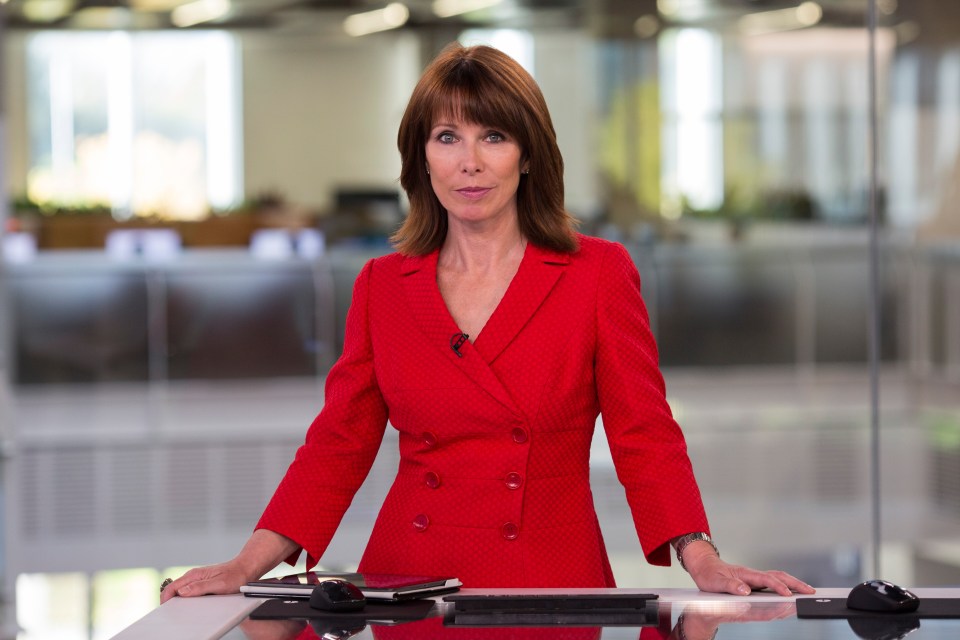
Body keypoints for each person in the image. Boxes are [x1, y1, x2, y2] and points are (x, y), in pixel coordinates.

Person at [161, 42, 815, 603]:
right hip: (410, 583)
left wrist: (701, 557)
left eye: (493, 137)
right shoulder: (383, 286)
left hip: (551, 581)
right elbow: (339, 441)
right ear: (421, 159)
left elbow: (643, 431)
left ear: (528, 156)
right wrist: (247, 565)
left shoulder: (597, 273)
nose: (469, 162)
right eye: (447, 138)